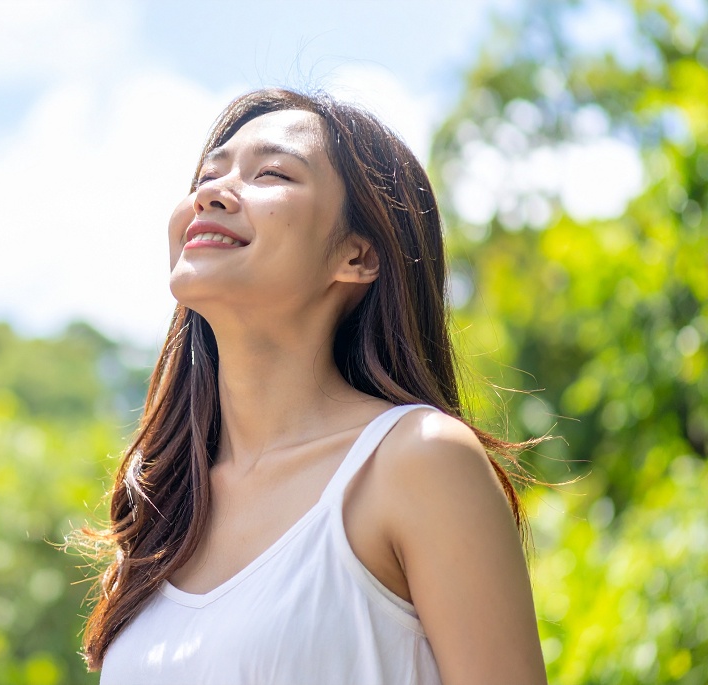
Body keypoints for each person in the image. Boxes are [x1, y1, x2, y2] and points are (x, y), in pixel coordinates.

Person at [81, 89, 548, 684]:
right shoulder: (165, 504)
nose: (210, 192)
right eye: (207, 173)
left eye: (271, 172)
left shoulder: (416, 459)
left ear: (358, 255)